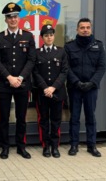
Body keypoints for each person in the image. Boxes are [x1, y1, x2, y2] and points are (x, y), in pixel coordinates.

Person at [0, 2, 36, 160]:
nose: (12, 19)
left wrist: (20, 77)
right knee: (4, 118)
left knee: (21, 118)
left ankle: (21, 146)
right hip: (4, 84)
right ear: (5, 20)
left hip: (23, 84)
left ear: (19, 18)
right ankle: (4, 147)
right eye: (9, 17)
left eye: (15, 16)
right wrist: (9, 77)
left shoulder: (28, 36)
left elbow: (31, 60)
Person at [64, 18, 106, 157]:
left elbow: (101, 67)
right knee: (74, 117)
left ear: (91, 29)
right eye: (82, 27)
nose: (85, 30)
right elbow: (66, 68)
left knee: (90, 117)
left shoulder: (98, 46)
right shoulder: (69, 47)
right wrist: (76, 82)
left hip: (91, 88)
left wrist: (92, 83)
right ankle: (74, 145)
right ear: (77, 29)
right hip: (74, 88)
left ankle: (91, 145)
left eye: (88, 27)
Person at [33, 24, 69, 158]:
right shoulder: (37, 53)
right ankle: (45, 146)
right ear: (42, 37)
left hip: (57, 92)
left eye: (51, 35)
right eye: (46, 35)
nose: (49, 37)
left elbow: (64, 71)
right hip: (42, 93)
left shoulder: (61, 52)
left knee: (56, 120)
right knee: (43, 120)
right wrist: (45, 88)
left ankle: (55, 146)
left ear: (54, 36)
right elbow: (35, 72)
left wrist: (53, 87)